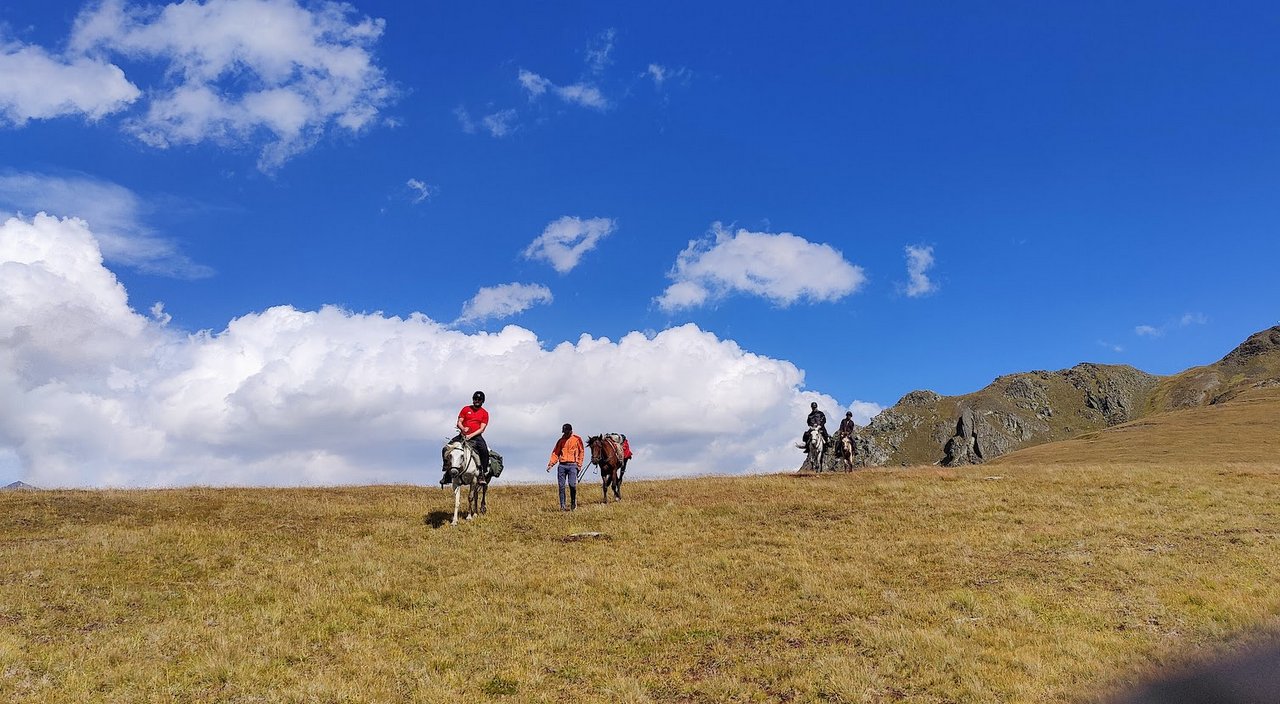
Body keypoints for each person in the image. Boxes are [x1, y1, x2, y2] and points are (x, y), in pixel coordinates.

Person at [441, 390, 489, 485]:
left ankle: (481, 474)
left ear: (482, 401)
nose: (477, 400)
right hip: (462, 435)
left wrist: (471, 435)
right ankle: (446, 470)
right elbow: (459, 422)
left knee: (484, 451)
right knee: (445, 449)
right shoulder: (466, 409)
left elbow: (482, 428)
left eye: (479, 399)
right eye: (475, 399)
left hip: (476, 437)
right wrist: (463, 429)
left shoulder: (484, 413)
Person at [545, 423, 584, 511]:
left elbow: (581, 452)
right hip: (562, 465)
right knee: (561, 486)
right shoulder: (560, 441)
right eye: (564, 432)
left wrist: (579, 464)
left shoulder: (577, 439)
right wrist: (551, 464)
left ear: (570, 431)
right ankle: (563, 506)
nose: (565, 434)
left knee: (572, 485)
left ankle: (573, 503)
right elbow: (555, 453)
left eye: (567, 432)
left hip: (573, 465)